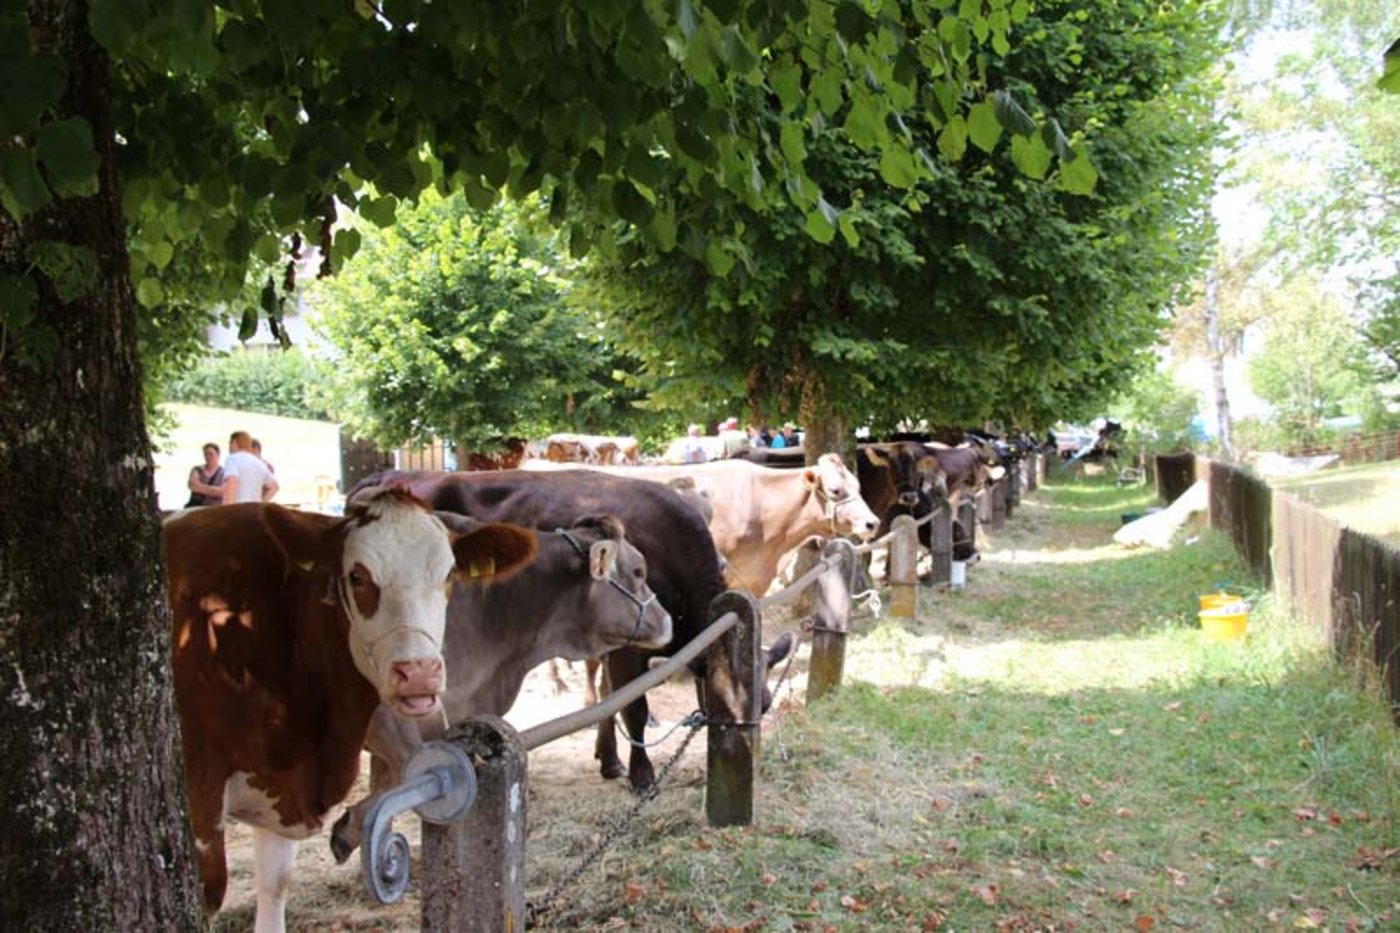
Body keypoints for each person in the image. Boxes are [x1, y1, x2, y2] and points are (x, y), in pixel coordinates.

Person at [222, 430, 279, 504]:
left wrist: (227, 509)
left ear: (234, 443)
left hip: (238, 509)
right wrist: (261, 504)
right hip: (254, 510)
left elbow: (232, 482)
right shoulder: (259, 463)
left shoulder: (232, 459)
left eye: (230, 443)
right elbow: (274, 487)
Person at [185, 443, 225, 507]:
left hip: (216, 509)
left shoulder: (224, 472)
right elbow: (192, 485)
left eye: (211, 454)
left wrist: (200, 488)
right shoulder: (197, 469)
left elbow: (222, 492)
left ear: (218, 455)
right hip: (197, 508)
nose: (208, 457)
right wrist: (213, 491)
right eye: (205, 454)